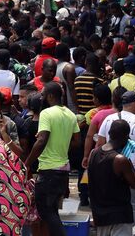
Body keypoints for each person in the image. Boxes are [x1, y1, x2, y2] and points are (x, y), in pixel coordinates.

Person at [24, 82, 80, 236]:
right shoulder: (70, 114)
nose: (41, 97)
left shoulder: (46, 113)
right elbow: (76, 141)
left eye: (42, 94)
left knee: (47, 213)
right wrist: (60, 145)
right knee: (53, 213)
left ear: (49, 96)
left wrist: (27, 164)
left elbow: (41, 141)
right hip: (63, 172)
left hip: (48, 172)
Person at [97, 91, 135, 225]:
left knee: (111, 200)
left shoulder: (109, 119)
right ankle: (133, 231)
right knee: (134, 204)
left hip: (109, 166)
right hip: (132, 168)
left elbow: (100, 144)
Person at [88, 119, 135, 236]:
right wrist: (128, 157)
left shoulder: (93, 153)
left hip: (100, 215)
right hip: (119, 216)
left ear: (110, 134)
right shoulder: (120, 160)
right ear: (126, 137)